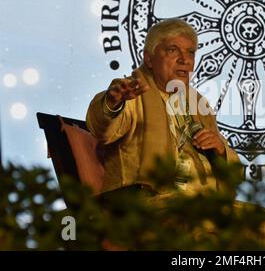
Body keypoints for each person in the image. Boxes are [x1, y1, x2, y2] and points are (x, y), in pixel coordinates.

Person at [86, 18, 240, 199]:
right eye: (172, 50)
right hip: (152, 206)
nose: (185, 60)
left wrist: (221, 150)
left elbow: (235, 175)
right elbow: (101, 128)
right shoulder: (132, 94)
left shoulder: (199, 105)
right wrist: (112, 105)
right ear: (149, 59)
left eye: (190, 52)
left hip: (208, 204)